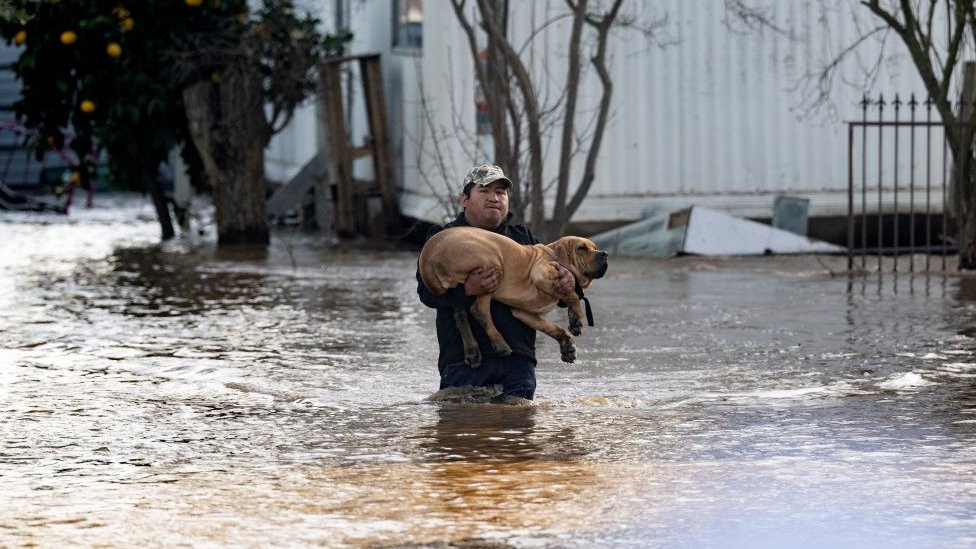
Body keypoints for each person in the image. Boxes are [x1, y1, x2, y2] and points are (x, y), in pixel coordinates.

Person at [416, 164, 576, 401]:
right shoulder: (444, 237)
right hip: (464, 363)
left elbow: (548, 288)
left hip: (518, 362)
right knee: (462, 435)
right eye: (484, 191)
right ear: (464, 199)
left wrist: (568, 283)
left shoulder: (524, 238)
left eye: (500, 192)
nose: (494, 198)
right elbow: (426, 292)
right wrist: (467, 290)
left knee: (517, 435)